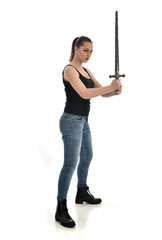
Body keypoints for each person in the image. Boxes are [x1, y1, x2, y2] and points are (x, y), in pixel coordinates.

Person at [55, 36, 122, 228]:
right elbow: (84, 93)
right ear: (76, 49)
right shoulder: (70, 70)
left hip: (83, 121)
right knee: (70, 164)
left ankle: (81, 191)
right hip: (71, 121)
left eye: (91, 51)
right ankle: (61, 207)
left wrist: (114, 90)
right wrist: (110, 87)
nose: (89, 55)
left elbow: (101, 91)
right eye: (85, 50)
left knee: (87, 156)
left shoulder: (86, 70)